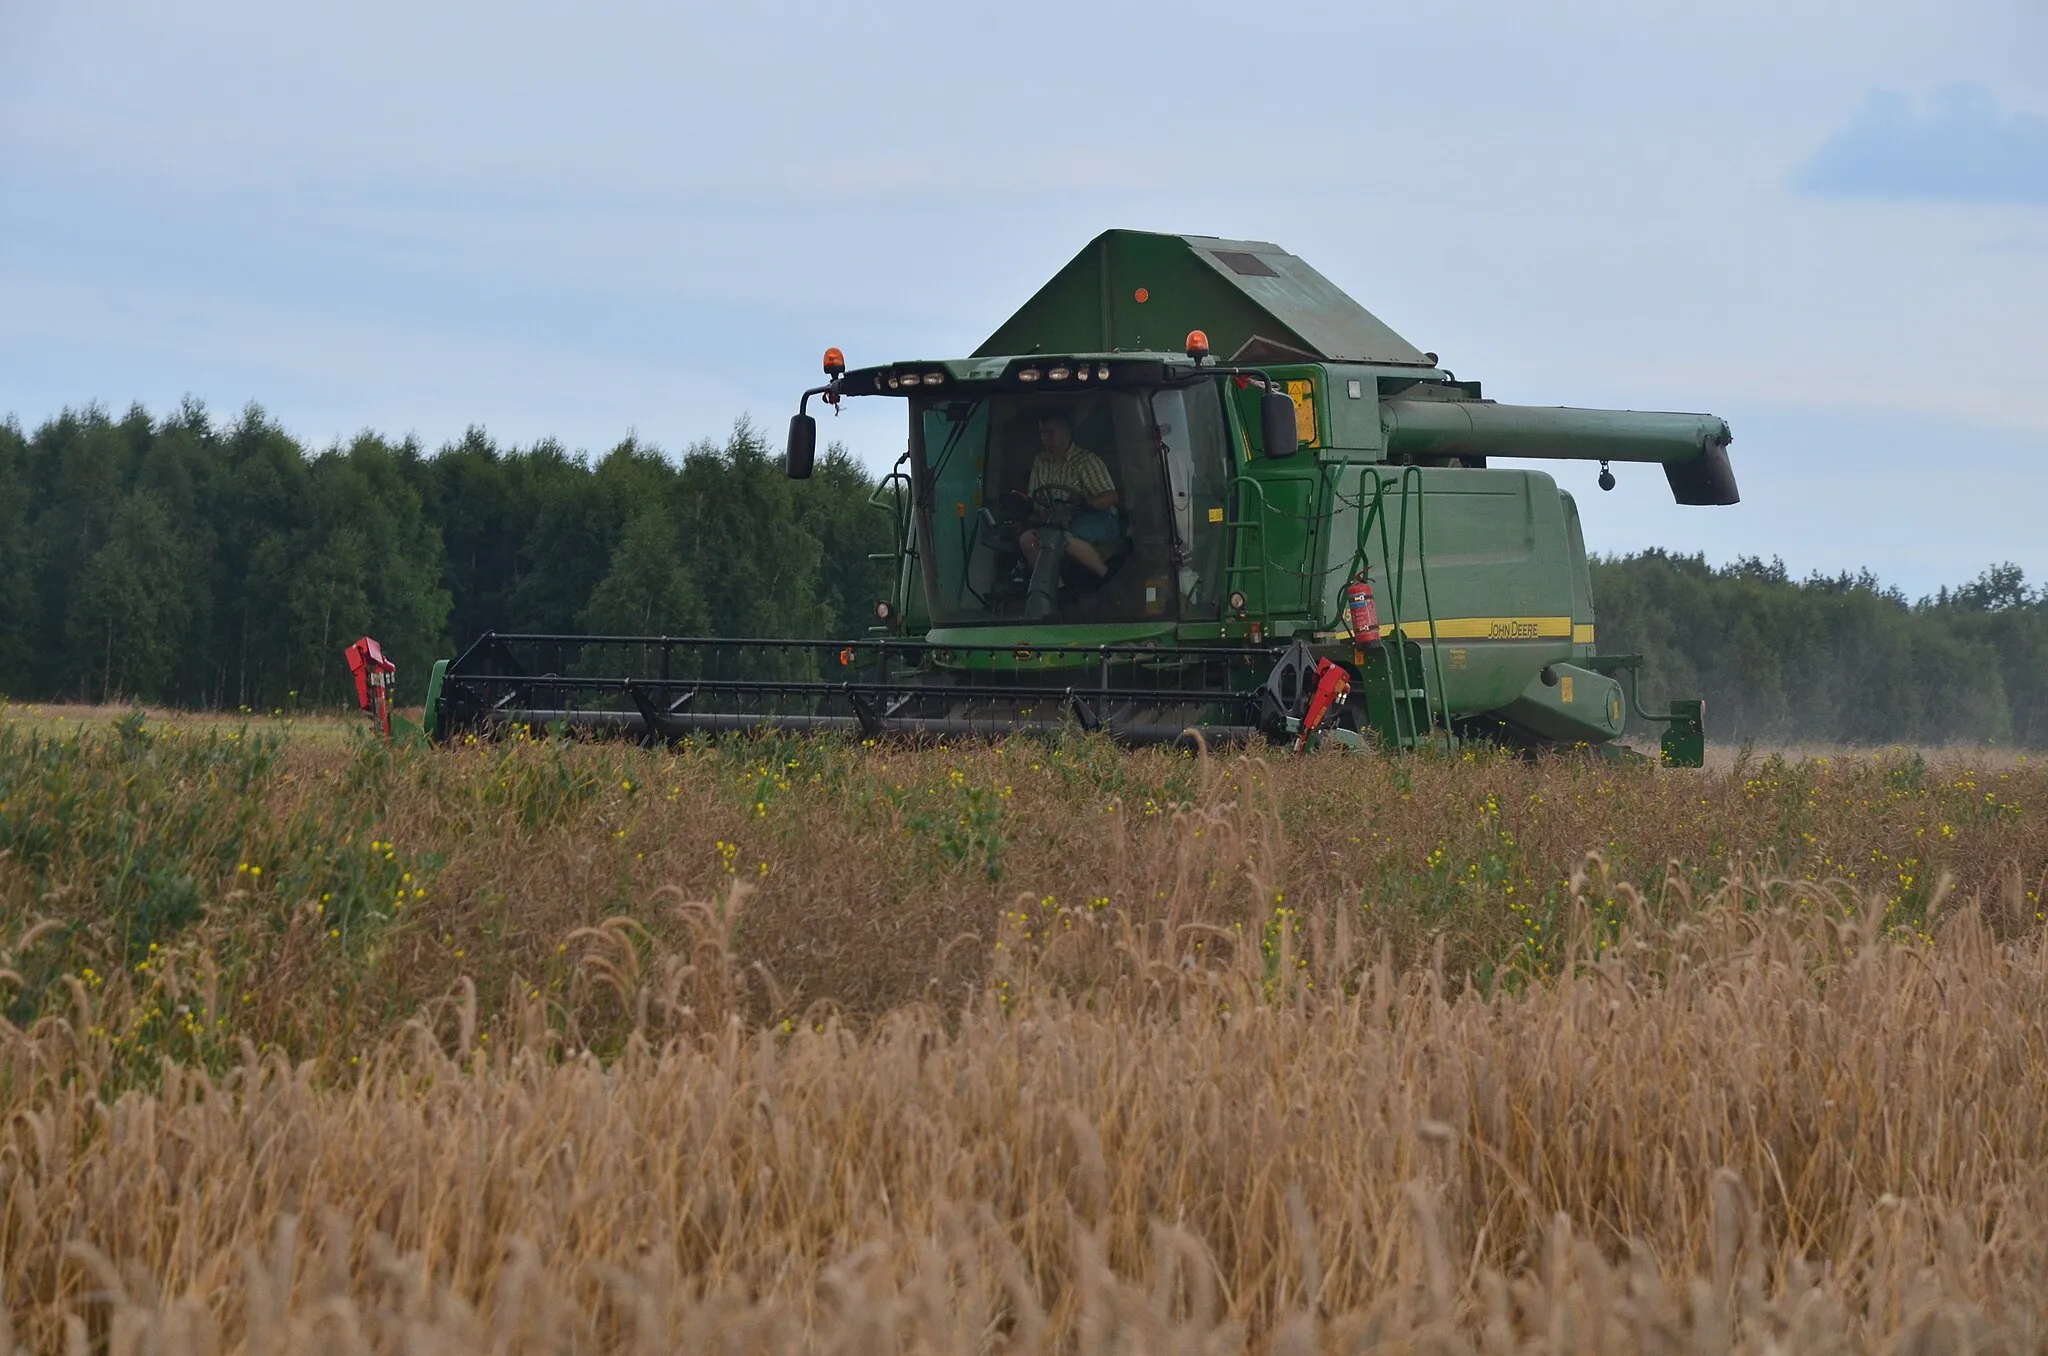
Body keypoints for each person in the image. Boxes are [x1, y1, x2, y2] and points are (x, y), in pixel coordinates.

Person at [1018, 412, 1119, 580]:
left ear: (1067, 433)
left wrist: (1085, 505)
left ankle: (1106, 576)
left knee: (1062, 539)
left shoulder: (1086, 460)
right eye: (1042, 433)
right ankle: (1054, 589)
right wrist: (1039, 511)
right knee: (1027, 540)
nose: (1045, 438)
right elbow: (1035, 497)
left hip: (1097, 518)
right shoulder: (1040, 461)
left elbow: (1111, 497)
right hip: (1056, 520)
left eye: (1051, 433)